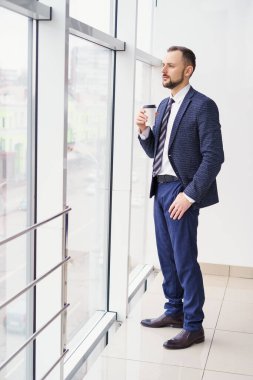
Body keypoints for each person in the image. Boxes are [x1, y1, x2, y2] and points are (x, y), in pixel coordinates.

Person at [136, 46, 224, 350]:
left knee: (185, 259)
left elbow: (214, 158)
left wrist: (189, 196)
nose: (164, 70)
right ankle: (173, 311)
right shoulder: (164, 104)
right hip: (160, 188)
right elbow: (157, 154)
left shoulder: (203, 106)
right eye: (163, 65)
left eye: (170, 66)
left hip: (181, 190)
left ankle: (193, 325)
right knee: (166, 256)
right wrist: (145, 132)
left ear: (188, 70)